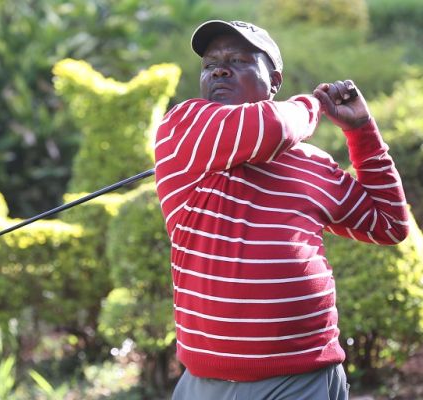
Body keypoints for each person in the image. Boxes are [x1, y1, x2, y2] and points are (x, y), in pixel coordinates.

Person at [154, 20, 410, 399]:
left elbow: (389, 224)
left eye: (239, 60)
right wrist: (314, 103)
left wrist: (362, 132)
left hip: (303, 379)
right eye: (210, 65)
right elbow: (270, 125)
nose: (220, 69)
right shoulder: (184, 129)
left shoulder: (312, 162)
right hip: (205, 383)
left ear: (274, 80)